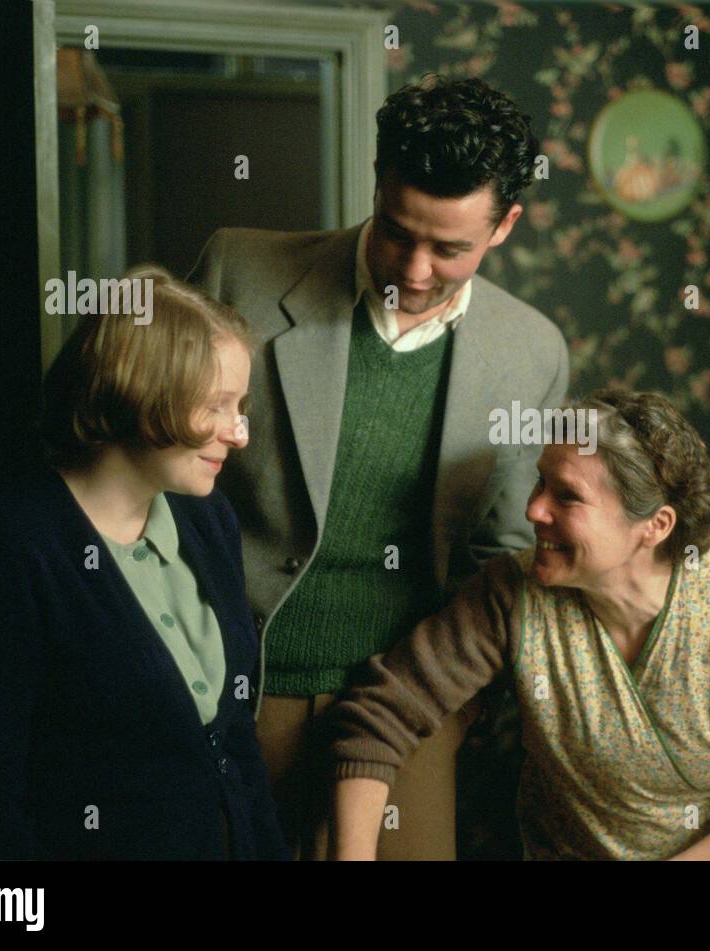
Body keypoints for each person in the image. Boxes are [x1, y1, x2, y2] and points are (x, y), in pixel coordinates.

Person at [188, 74, 569, 859]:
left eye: (450, 247)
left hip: (407, 701)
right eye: (398, 232)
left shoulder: (534, 351)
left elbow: (499, 556)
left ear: (505, 226)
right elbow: (150, 473)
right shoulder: (240, 273)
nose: (416, 270)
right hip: (226, 680)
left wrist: (454, 708)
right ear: (377, 185)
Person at [328, 388, 710, 860]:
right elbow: (384, 715)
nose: (533, 509)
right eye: (540, 483)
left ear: (655, 526)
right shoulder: (514, 591)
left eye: (567, 496)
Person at [0, 266, 287, 860]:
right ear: (141, 393)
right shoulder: (16, 547)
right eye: (217, 406)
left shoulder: (209, 521)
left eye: (241, 406)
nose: (240, 434)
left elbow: (236, 741)